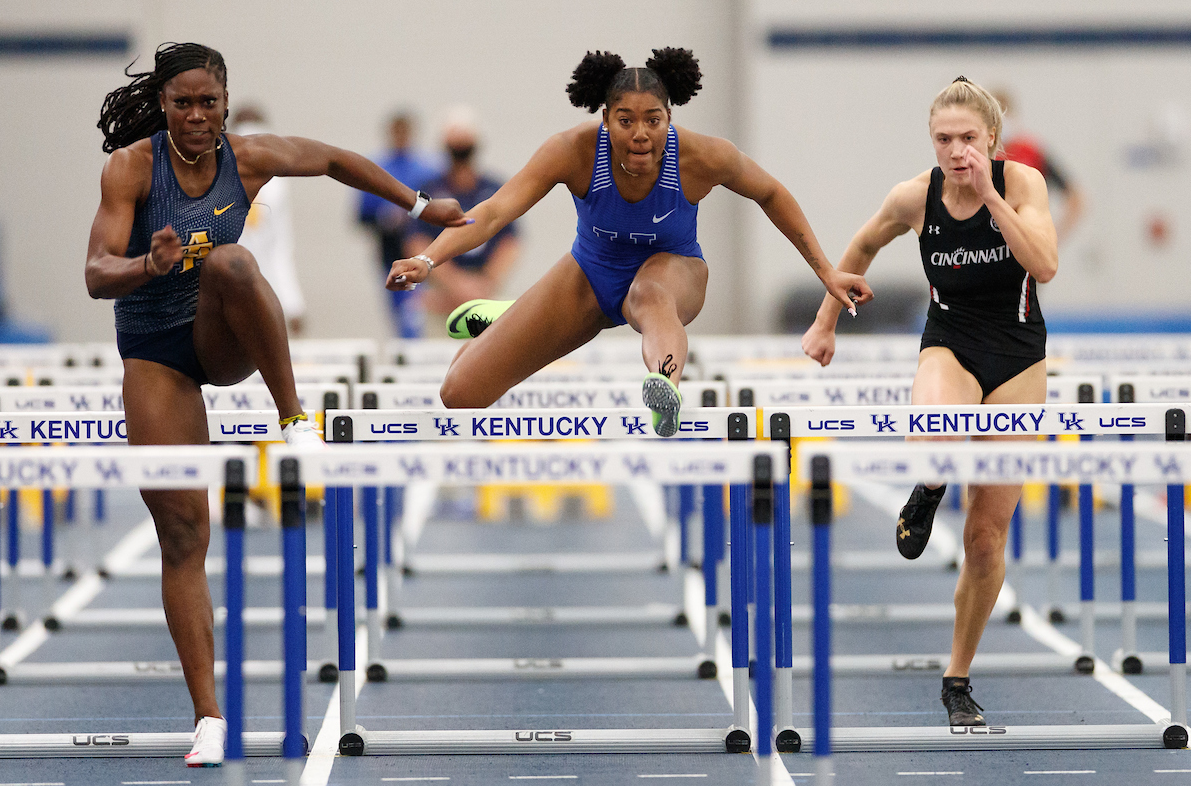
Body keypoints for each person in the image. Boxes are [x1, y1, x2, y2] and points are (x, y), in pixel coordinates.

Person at [85, 42, 466, 766]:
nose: (196, 116)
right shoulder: (132, 168)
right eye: (182, 103)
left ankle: (293, 420)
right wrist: (146, 263)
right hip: (153, 351)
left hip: (218, 335)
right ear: (163, 106)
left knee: (233, 259)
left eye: (208, 102)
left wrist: (419, 204)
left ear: (226, 101)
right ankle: (209, 719)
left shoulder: (249, 157)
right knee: (182, 532)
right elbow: (96, 273)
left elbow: (332, 159)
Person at [387, 48, 870, 435]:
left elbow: (771, 193)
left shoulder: (702, 157)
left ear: (668, 117)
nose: (640, 134)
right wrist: (428, 260)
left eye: (653, 120)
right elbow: (492, 213)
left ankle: (664, 388)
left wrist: (825, 270)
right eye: (625, 120)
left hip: (674, 272)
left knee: (649, 293)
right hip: (590, 277)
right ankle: (511, 316)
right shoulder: (571, 151)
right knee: (459, 392)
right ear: (605, 118)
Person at [801, 76, 1058, 727]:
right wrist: (826, 320)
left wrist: (993, 198)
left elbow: (1046, 265)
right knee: (937, 436)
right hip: (949, 342)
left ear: (991, 139)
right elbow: (860, 246)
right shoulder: (915, 196)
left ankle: (957, 677)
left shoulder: (1023, 183)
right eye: (944, 139)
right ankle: (931, 480)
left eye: (967, 138)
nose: (955, 150)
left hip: (1019, 356)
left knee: (985, 537)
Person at [403, 107, 520, 334]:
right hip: (440, 302)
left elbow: (510, 242)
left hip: (485, 300)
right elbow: (415, 242)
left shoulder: (494, 188)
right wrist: (455, 285)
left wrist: (485, 283)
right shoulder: (428, 190)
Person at [358, 110, 441, 338]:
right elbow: (361, 215)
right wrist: (384, 218)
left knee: (418, 309)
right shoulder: (375, 168)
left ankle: (417, 350)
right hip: (390, 251)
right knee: (398, 310)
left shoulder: (428, 170)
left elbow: (439, 207)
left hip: (422, 250)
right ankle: (407, 352)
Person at [232, 105, 307, 336]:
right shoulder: (275, 179)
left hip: (256, 286)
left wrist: (292, 301)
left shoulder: (275, 185)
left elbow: (278, 245)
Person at [994, 89, 1085, 242]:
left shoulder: (1031, 151)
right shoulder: (981, 156)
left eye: (1005, 116)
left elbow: (1075, 198)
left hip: (1028, 238)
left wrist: (1052, 239)